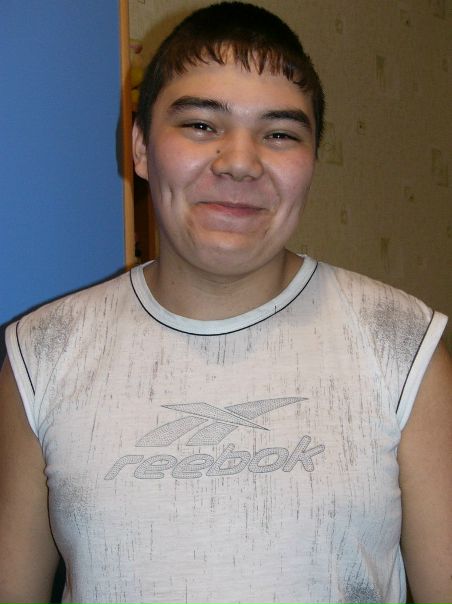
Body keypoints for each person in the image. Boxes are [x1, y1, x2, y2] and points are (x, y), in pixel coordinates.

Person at [0, 3, 451, 603]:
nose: (240, 162)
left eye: (280, 134)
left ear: (312, 162)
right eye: (201, 125)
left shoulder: (402, 346)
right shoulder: (41, 354)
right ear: (140, 147)